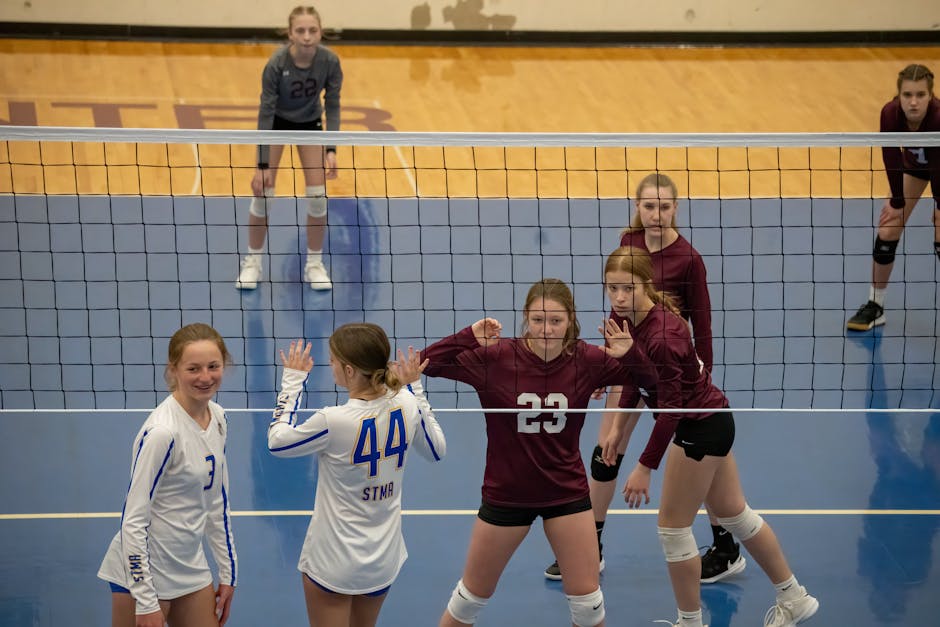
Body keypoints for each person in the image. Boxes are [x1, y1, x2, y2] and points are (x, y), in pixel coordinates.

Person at [600, 247, 818, 627]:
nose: (619, 297)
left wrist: (644, 466)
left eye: (627, 288)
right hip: (711, 420)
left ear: (646, 284)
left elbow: (668, 411)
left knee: (672, 528)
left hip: (698, 428)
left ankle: (690, 621)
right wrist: (618, 429)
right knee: (735, 514)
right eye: (612, 288)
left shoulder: (664, 335)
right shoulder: (627, 320)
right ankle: (794, 596)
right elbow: (636, 377)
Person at [424, 278, 656, 627]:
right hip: (507, 495)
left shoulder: (588, 360)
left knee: (589, 607)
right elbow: (426, 363)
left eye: (556, 321)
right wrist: (468, 336)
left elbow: (653, 383)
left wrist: (632, 354)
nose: (546, 329)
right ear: (525, 319)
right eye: (537, 320)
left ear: (570, 321)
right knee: (468, 602)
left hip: (565, 493)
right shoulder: (496, 358)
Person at [544, 173, 740, 585]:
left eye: (664, 207)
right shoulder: (628, 246)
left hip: (673, 374)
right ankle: (590, 548)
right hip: (628, 365)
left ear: (676, 209)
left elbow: (701, 324)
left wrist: (701, 377)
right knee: (606, 450)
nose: (655, 214)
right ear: (637, 206)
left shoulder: (688, 259)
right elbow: (619, 310)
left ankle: (725, 545)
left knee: (706, 461)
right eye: (648, 206)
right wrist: (605, 365)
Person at [267, 323, 446, 627]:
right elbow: (436, 450)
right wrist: (415, 388)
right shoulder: (405, 403)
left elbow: (277, 442)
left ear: (349, 371)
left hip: (333, 563)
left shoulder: (333, 420)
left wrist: (292, 382)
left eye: (333, 361)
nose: (331, 366)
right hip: (382, 560)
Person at [98, 323, 238, 627]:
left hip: (190, 567)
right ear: (173, 370)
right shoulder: (163, 433)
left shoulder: (218, 418)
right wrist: (146, 601)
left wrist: (228, 573)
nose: (205, 377)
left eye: (213, 366)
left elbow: (217, 503)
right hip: (143, 573)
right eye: (193, 368)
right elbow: (133, 519)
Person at [236, 5, 343, 291]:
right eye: (300, 31)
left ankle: (315, 264)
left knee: (318, 198)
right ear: (290, 33)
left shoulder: (330, 62)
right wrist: (261, 165)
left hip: (310, 125)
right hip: (276, 124)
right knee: (263, 195)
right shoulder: (276, 64)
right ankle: (253, 262)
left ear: (320, 32)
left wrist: (332, 148)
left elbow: (332, 105)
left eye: (312, 30)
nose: (307, 36)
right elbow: (265, 112)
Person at [847, 63, 940, 331]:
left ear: (930, 96)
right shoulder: (890, 114)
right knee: (888, 228)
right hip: (913, 166)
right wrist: (897, 201)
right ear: (898, 96)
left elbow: (938, 166)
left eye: (920, 95)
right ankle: (875, 306)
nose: (913, 102)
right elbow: (891, 155)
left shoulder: (937, 116)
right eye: (907, 95)